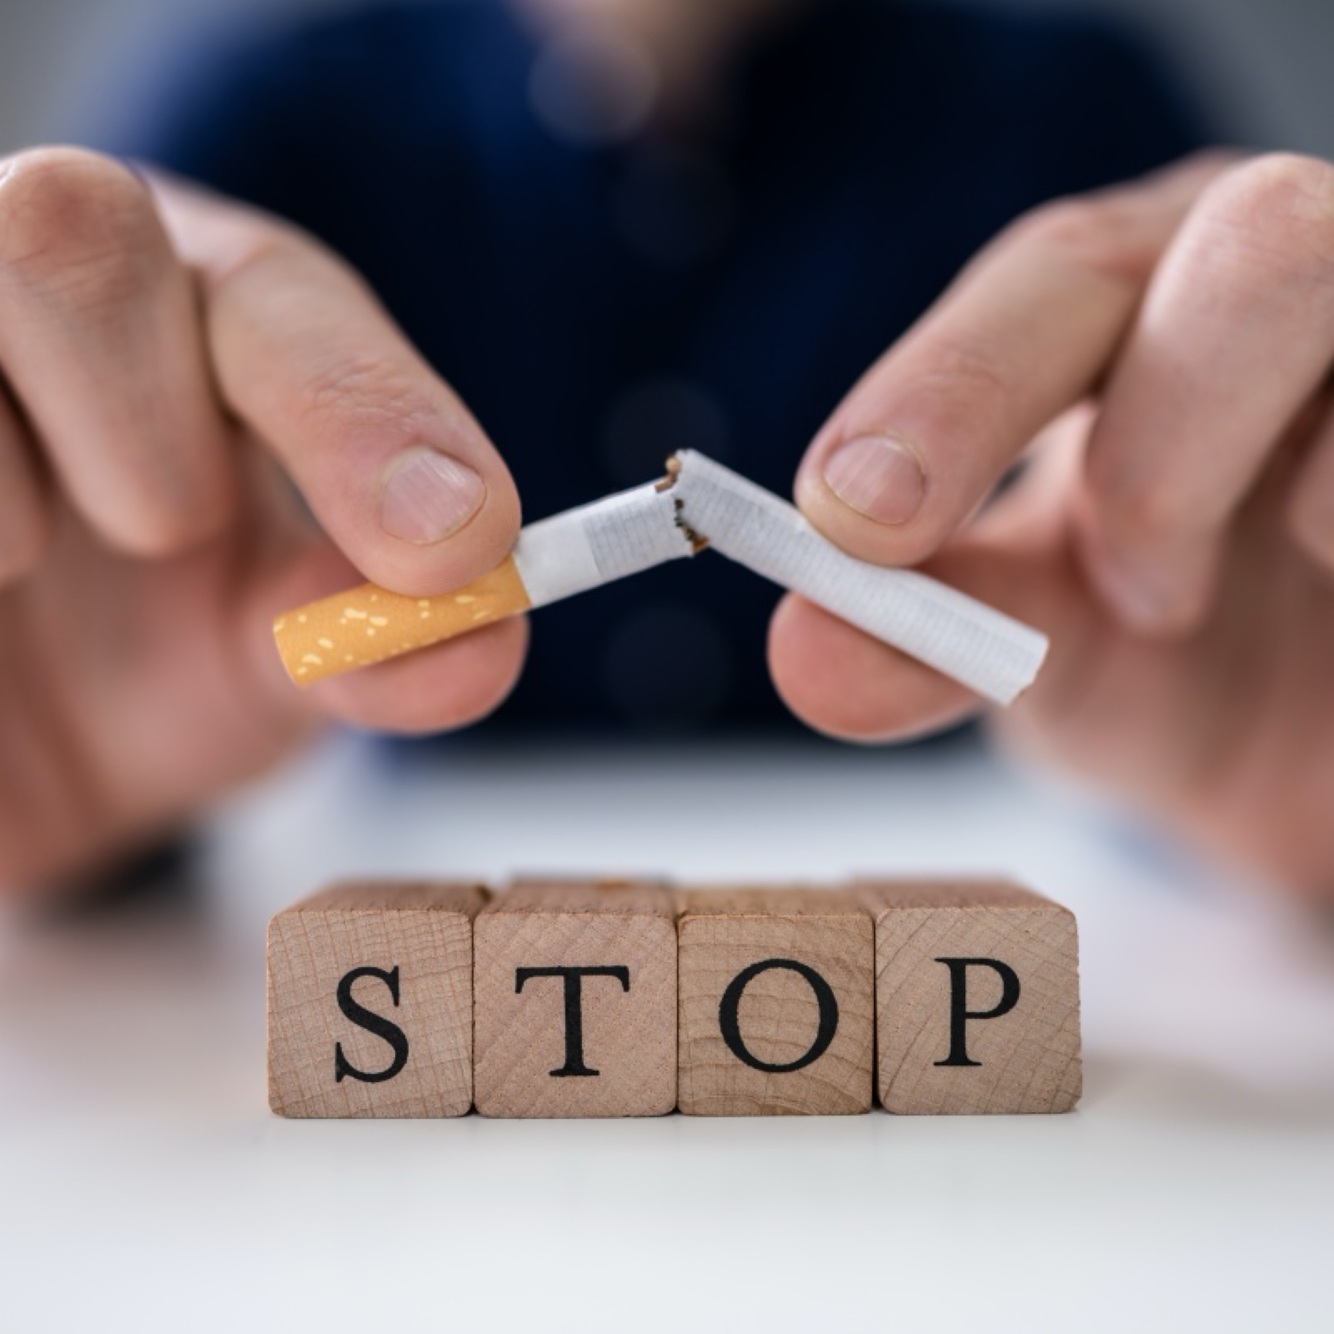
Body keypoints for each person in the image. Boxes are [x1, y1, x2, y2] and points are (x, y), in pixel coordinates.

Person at [0, 0, 1330, 902]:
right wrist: (72, 815)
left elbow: (1200, 568)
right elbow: (100, 422)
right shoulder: (273, 107)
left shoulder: (1069, 102)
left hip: (1012, 885)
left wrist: (1284, 800)